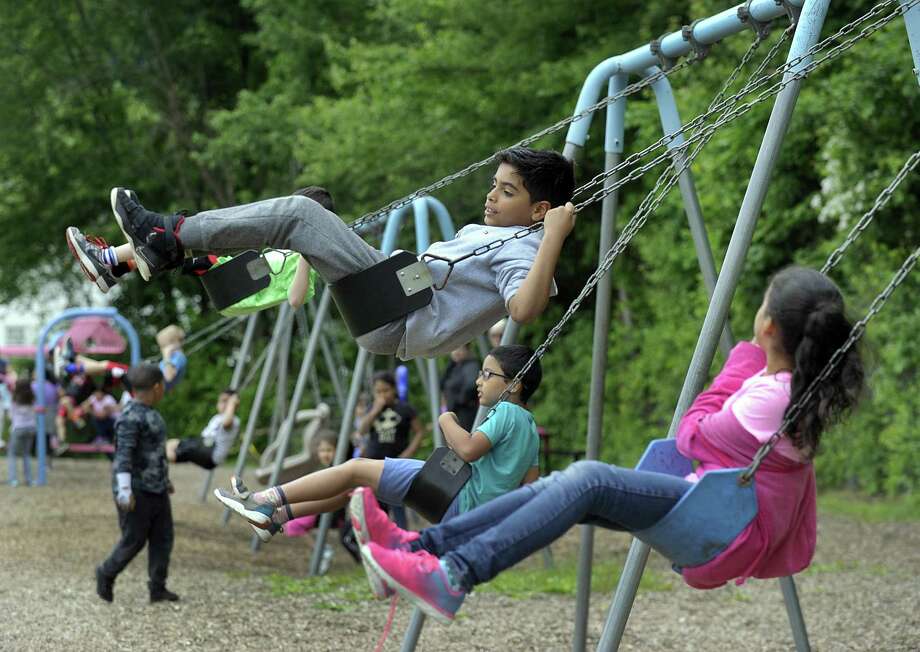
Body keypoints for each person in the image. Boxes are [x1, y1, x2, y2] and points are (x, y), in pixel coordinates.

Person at [354, 267, 866, 623]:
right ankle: (421, 549)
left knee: (588, 476)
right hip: (716, 505)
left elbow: (692, 430)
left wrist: (743, 360)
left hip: (724, 524)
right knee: (564, 488)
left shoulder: (771, 395)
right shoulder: (793, 388)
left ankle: (453, 575)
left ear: (769, 326)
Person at [92, 147, 576, 360]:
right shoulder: (501, 233)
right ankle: (155, 254)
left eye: (507, 192)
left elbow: (525, 310)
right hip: (391, 297)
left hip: (399, 311)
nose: (491, 196)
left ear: (540, 210)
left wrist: (552, 237)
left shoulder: (527, 247)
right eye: (494, 186)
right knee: (308, 214)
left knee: (299, 215)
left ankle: (167, 235)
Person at [215, 344, 544, 593]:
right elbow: (531, 487)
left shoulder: (505, 411)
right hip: (467, 509)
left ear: (513, 385)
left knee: (354, 467)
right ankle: (276, 517)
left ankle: (266, 499)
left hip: (454, 492)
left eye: (487, 374)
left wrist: (446, 419)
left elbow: (469, 449)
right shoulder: (530, 427)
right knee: (353, 487)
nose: (478, 380)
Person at [66, 186, 335, 315]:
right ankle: (110, 265)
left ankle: (109, 259)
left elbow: (296, 299)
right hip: (229, 276)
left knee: (181, 237)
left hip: (238, 288)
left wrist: (306, 254)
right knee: (168, 248)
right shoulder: (283, 247)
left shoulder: (305, 259)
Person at [95, 363, 179, 603]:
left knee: (163, 537)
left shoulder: (152, 413)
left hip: (157, 488)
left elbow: (154, 452)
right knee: (134, 539)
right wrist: (124, 490)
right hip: (136, 490)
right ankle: (106, 572)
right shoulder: (130, 417)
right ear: (156, 387)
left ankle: (158, 587)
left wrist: (165, 479)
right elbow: (124, 455)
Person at [165, 388, 240, 470]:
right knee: (171, 448)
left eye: (227, 401)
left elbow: (226, 423)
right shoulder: (217, 417)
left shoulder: (233, 420)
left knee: (170, 446)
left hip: (211, 452)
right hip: (204, 446)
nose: (224, 404)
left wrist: (232, 404)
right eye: (222, 401)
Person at [440, 344, 481, 431]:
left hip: (466, 412)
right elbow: (442, 385)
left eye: (459, 349)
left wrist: (458, 401)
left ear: (467, 350)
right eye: (453, 349)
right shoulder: (453, 366)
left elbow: (471, 385)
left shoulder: (471, 365)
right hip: (454, 411)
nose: (456, 352)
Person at [7, 378, 36, 486]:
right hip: (31, 428)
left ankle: (13, 479)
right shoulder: (33, 398)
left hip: (18, 428)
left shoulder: (14, 399)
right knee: (26, 454)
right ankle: (29, 479)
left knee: (12, 454)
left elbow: (11, 416)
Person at [83, 379, 120, 444]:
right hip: (105, 421)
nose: (96, 395)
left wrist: (90, 411)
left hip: (115, 421)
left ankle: (103, 438)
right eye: (95, 393)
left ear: (102, 393)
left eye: (98, 393)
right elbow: (83, 406)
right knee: (91, 418)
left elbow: (102, 416)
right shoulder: (94, 397)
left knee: (96, 419)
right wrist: (88, 408)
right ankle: (98, 437)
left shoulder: (108, 399)